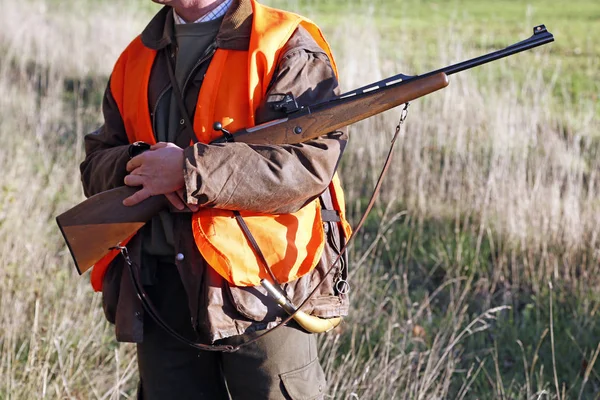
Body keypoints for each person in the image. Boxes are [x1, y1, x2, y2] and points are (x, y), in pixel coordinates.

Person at [80, 0, 351, 398]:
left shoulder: (283, 42)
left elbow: (307, 163)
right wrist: (141, 165)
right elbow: (95, 167)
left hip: (259, 290)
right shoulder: (135, 57)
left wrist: (189, 171)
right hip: (159, 286)